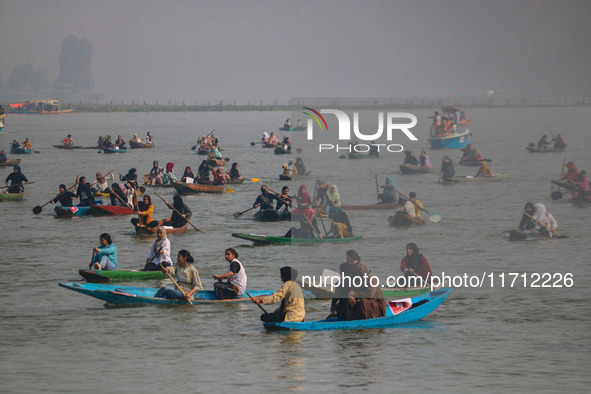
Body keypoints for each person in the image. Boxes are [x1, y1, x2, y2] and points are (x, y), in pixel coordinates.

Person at [330, 250, 386, 321]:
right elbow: (346, 292)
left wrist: (354, 295)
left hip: (375, 305)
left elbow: (370, 295)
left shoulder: (372, 280)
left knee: (363, 302)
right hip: (362, 304)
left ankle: (363, 319)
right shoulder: (350, 281)